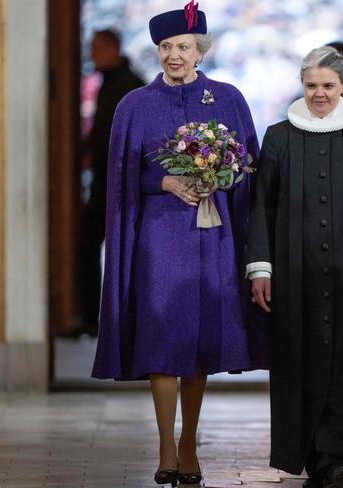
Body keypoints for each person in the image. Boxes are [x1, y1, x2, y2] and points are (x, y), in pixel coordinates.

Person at [91, 3, 266, 487]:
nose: (174, 55)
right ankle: (166, 446)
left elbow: (250, 166)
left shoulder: (228, 98)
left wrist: (221, 176)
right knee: (163, 334)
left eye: (183, 47)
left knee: (199, 343)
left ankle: (190, 442)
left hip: (213, 239)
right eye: (167, 47)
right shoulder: (134, 105)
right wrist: (165, 181)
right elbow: (121, 176)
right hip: (159, 239)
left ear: (200, 50)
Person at [247, 46, 343, 488]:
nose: (319, 94)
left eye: (328, 86)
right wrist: (261, 268)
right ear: (302, 85)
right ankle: (317, 456)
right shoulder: (278, 136)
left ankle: (339, 456)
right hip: (296, 272)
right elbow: (262, 207)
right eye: (311, 85)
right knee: (303, 360)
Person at [78, 29, 145, 336]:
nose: (92, 55)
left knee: (129, 251)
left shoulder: (131, 87)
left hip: (124, 183)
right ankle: (93, 318)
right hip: (104, 181)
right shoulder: (108, 82)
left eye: (96, 48)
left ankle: (128, 320)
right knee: (89, 245)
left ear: (111, 48)